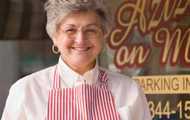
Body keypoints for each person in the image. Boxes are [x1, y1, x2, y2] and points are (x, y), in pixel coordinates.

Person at [1, 0, 151, 119]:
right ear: (55, 37)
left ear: (103, 35)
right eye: (70, 30)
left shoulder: (130, 91)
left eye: (91, 30)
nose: (81, 40)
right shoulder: (26, 91)